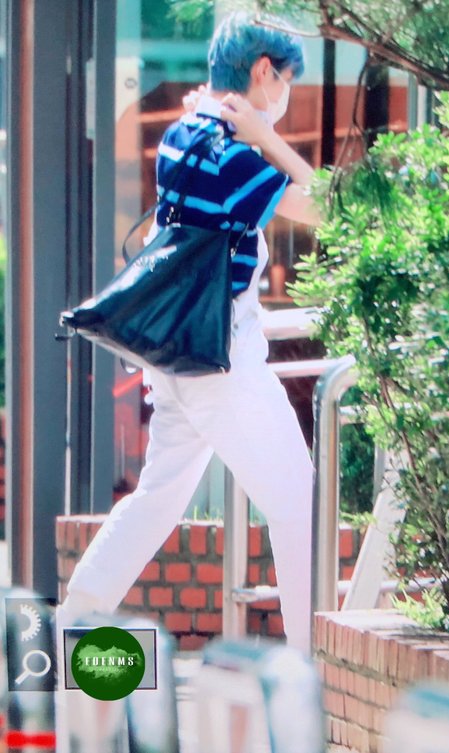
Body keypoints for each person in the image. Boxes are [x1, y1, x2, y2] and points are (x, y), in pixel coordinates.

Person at [58, 11, 321, 654]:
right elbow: (323, 206)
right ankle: (309, 660)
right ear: (263, 73)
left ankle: (75, 617)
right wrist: (266, 136)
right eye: (285, 80)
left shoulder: (183, 133)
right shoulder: (234, 158)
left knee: (158, 498)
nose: (286, 94)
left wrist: (247, 129)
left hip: (176, 354)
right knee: (299, 503)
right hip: (222, 362)